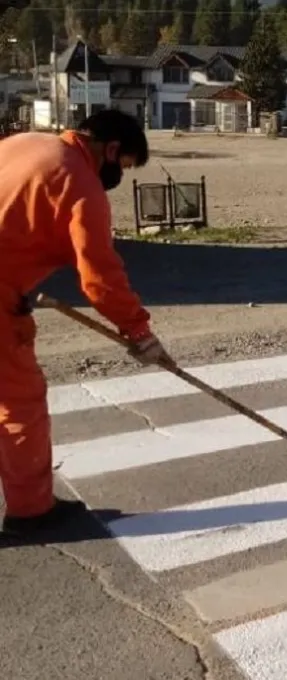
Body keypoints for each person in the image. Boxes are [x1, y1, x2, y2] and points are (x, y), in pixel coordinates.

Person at [0, 110, 172, 538]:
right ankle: (31, 512)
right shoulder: (80, 183)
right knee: (18, 404)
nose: (118, 176)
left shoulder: (23, 143)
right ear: (111, 149)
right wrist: (138, 331)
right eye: (124, 166)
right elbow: (100, 278)